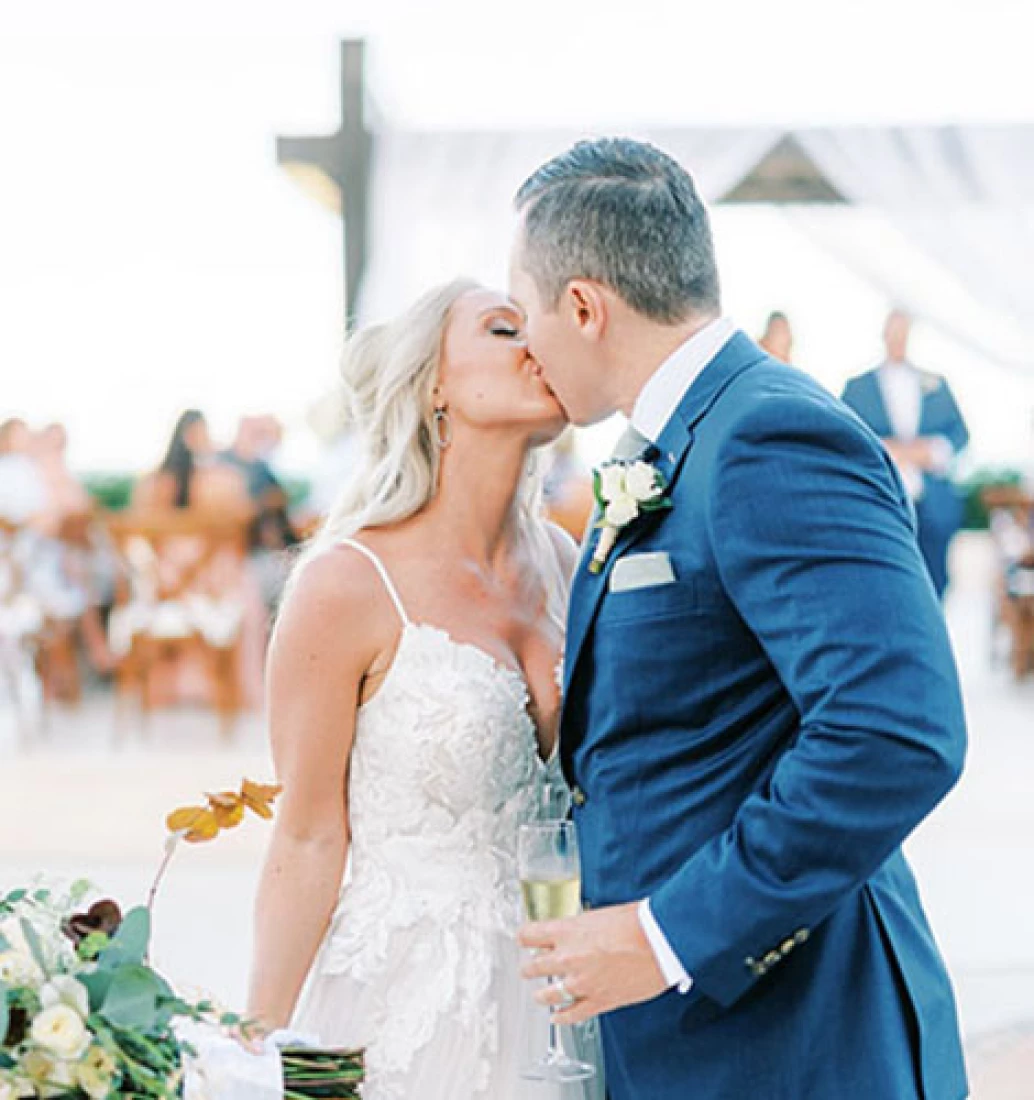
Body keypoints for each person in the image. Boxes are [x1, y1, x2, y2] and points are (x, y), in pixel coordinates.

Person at [507, 138, 967, 1100]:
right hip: (692, 1039)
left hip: (799, 1036)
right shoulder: (678, 442)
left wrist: (666, 933)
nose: (528, 351)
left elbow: (897, 733)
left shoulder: (767, 435)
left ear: (585, 306)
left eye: (527, 316)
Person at [246, 280, 604, 1100]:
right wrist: (254, 1048)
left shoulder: (565, 562)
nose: (535, 343)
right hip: (403, 1009)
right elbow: (304, 838)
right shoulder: (344, 584)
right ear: (433, 383)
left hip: (555, 1000)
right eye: (503, 327)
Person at [841, 310, 970, 599]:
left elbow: (959, 435)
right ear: (884, 335)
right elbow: (843, 437)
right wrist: (887, 449)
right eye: (893, 332)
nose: (898, 339)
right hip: (880, 502)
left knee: (935, 583)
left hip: (933, 506)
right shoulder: (857, 387)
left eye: (904, 333)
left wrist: (931, 450)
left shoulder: (935, 383)